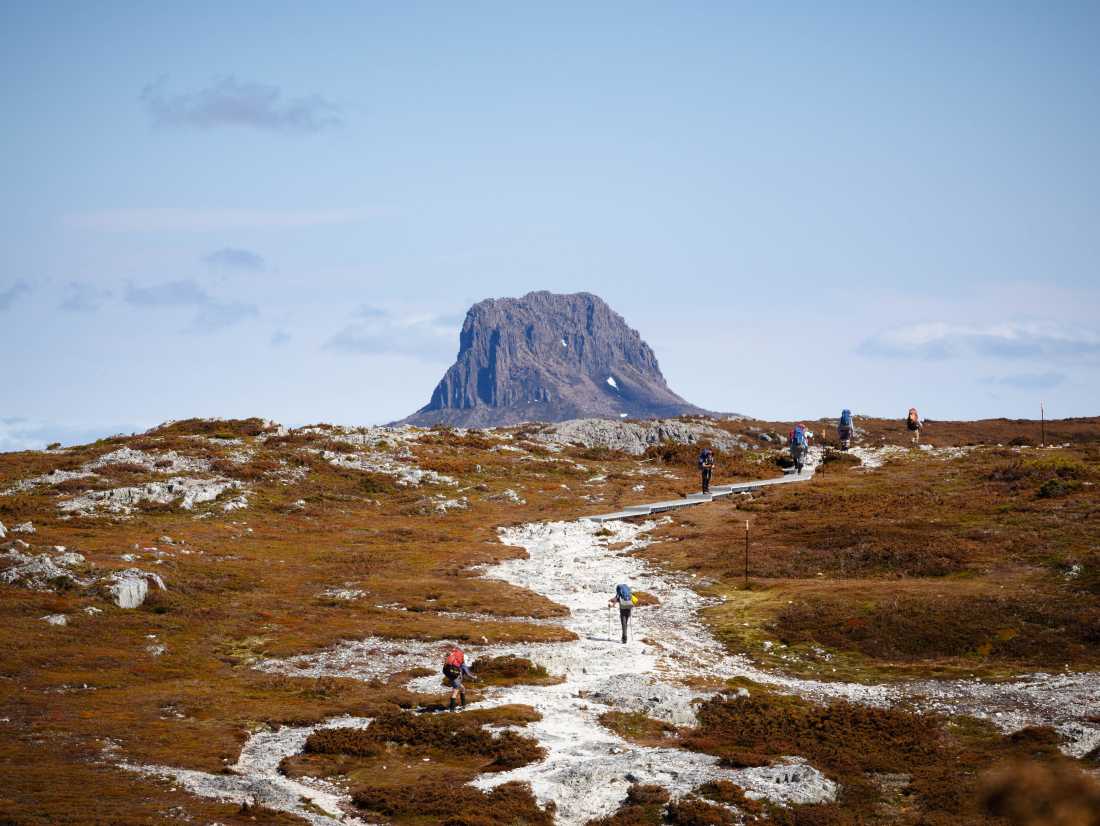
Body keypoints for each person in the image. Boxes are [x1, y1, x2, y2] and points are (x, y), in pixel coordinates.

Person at [442, 645, 478, 711]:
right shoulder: (462, 663)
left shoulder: (454, 661)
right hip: (456, 678)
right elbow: (468, 673)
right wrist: (475, 677)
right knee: (455, 692)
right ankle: (452, 710)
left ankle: (463, 705)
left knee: (463, 689)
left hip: (451, 676)